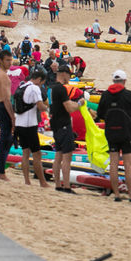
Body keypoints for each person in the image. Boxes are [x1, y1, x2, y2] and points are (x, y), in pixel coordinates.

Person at [96, 70, 131, 202]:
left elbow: (100, 114)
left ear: (113, 81)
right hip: (126, 132)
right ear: (125, 81)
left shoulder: (105, 95)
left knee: (114, 164)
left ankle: (116, 194)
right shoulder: (128, 95)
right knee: (128, 165)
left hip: (111, 132)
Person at [49, 65, 82, 194]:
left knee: (58, 155)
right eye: (69, 75)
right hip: (63, 123)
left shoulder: (52, 88)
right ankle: (66, 186)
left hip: (56, 123)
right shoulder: (61, 89)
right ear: (63, 74)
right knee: (66, 157)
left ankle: (58, 184)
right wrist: (79, 104)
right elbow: (69, 107)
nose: (69, 78)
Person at [13, 71, 49, 187]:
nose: (41, 85)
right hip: (29, 125)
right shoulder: (34, 88)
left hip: (19, 123)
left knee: (25, 153)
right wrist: (48, 108)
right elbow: (40, 106)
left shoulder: (22, 85)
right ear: (39, 79)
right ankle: (43, 182)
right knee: (37, 154)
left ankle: (27, 181)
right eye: (42, 83)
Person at [0, 50, 17, 184]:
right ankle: (1, 172)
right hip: (3, 107)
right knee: (5, 140)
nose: (10, 63)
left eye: (11, 60)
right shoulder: (4, 77)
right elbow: (7, 99)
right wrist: (12, 117)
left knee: (6, 139)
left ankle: (2, 169)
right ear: (0, 60)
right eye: (7, 60)